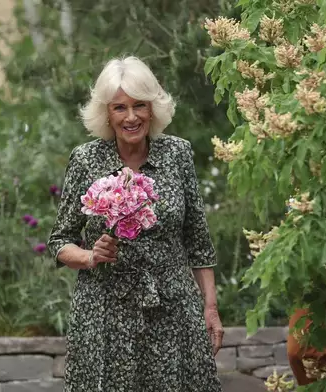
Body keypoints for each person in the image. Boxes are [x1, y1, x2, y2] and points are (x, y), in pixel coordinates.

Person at [47, 56, 223, 392]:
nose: (131, 117)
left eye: (139, 106)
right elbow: (60, 241)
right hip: (105, 313)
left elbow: (198, 242)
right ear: (106, 114)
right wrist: (89, 256)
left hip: (173, 310)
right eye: (120, 108)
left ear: (153, 108)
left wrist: (211, 308)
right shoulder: (86, 160)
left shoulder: (178, 155)